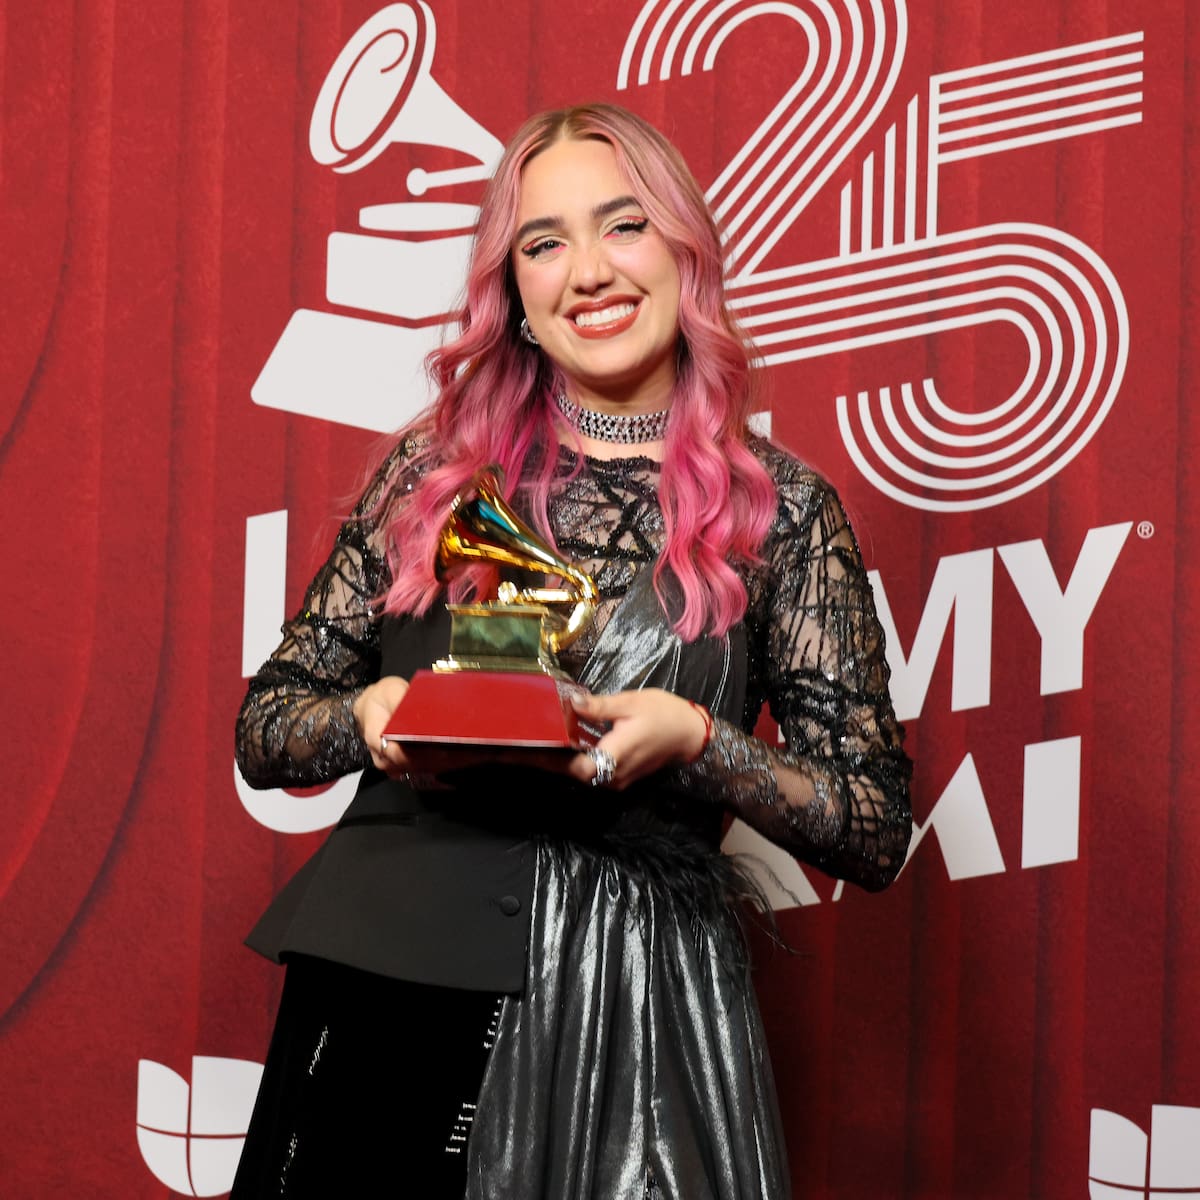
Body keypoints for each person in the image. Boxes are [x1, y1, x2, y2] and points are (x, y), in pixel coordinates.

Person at [232, 103, 912, 1200]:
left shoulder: (784, 514)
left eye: (623, 225)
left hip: (638, 1025)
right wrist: (368, 717)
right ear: (516, 296)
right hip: (390, 998)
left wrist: (696, 741)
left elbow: (872, 825)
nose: (589, 271)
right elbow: (267, 728)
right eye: (544, 244)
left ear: (685, 253)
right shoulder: (432, 480)